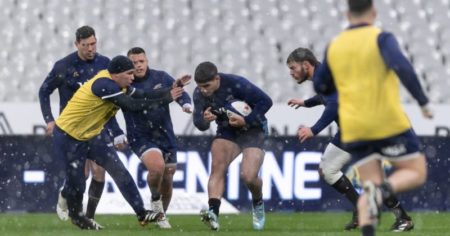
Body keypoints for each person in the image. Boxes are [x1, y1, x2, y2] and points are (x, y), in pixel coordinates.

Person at [313, 1, 433, 235]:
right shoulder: (381, 38)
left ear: (347, 14)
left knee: (369, 188)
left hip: (354, 127)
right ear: (374, 13)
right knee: (416, 172)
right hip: (386, 121)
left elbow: (321, 84)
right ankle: (384, 190)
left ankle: (375, 199)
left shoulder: (334, 45)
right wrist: (422, 101)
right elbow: (402, 67)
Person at [52, 55, 187, 229]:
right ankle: (77, 214)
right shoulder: (104, 85)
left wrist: (171, 89)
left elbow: (143, 94)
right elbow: (132, 105)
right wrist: (167, 99)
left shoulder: (119, 84)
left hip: (91, 135)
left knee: (119, 170)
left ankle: (141, 213)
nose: (133, 77)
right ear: (116, 74)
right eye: (129, 73)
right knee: (78, 182)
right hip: (67, 136)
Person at [38, 25, 127, 221]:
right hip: (71, 128)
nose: (90, 48)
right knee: (81, 174)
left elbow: (113, 100)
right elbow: (44, 91)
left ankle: (89, 217)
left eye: (93, 44)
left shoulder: (106, 65)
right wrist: (49, 120)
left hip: (97, 126)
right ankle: (64, 194)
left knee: (99, 172)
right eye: (85, 45)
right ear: (76, 44)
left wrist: (117, 130)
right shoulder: (64, 65)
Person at [192, 61, 273, 231]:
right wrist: (204, 120)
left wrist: (246, 120)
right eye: (200, 86)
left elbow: (266, 101)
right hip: (227, 130)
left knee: (248, 177)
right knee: (217, 166)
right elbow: (199, 123)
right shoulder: (199, 93)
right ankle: (213, 213)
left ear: (217, 78)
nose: (204, 90)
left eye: (207, 85)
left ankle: (257, 200)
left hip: (253, 130)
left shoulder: (237, 83)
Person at [124, 47, 192, 228]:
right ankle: (155, 200)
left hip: (164, 134)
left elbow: (179, 91)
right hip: (140, 136)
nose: (138, 66)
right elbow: (140, 103)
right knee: (157, 167)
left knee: (168, 178)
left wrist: (185, 103)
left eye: (141, 62)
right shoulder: (125, 83)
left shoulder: (160, 77)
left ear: (147, 61)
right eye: (134, 63)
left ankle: (161, 215)